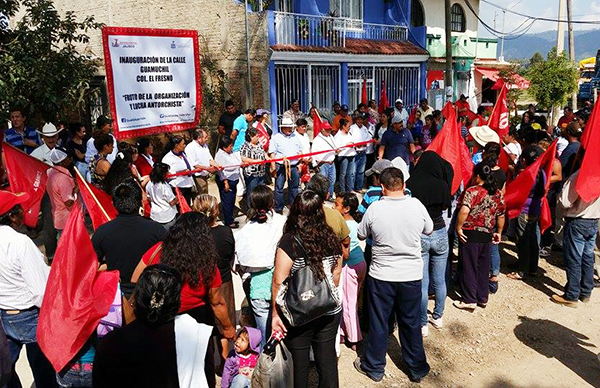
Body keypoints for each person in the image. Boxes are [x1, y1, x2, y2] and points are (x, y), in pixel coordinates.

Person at [354, 167, 432, 383]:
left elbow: (361, 233)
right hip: (411, 275)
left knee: (379, 321)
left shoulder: (375, 209)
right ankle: (416, 367)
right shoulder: (416, 205)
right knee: (410, 321)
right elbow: (429, 228)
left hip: (382, 275)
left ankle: (374, 366)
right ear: (404, 185)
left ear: (382, 187)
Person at [94, 264, 214, 388]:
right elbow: (207, 382)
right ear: (176, 301)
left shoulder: (111, 342)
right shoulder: (196, 337)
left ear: (137, 298)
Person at [271, 191, 344, 388]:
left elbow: (279, 281)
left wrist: (275, 315)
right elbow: (337, 273)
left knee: (299, 366)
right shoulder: (331, 236)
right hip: (329, 308)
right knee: (327, 361)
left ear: (295, 211)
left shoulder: (289, 241)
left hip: (299, 311)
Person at [0, 190, 56, 388]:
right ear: (12, 216)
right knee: (44, 370)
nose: (24, 212)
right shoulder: (20, 243)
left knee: (4, 371)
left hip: (3, 314)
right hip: (28, 315)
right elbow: (40, 290)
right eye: (19, 209)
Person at [92, 179, 166, 297]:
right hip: (150, 292)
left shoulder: (101, 232)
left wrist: (111, 265)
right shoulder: (157, 230)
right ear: (140, 202)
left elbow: (92, 268)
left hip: (117, 293)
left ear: (114, 204)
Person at [406, 151, 453, 336]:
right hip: (440, 231)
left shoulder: (411, 183)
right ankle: (438, 316)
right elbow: (444, 206)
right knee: (439, 280)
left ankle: (423, 323)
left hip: (420, 233)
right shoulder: (442, 184)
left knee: (423, 281)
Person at [234, 185, 286, 347]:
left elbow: (237, 265)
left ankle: (267, 365)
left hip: (256, 288)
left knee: (264, 335)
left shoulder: (244, 232)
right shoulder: (282, 222)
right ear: (272, 202)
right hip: (282, 285)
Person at [454, 163, 505, 310]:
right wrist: (499, 232)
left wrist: (458, 227)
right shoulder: (497, 193)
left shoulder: (472, 191)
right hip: (487, 233)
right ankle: (482, 297)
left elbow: (464, 210)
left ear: (477, 176)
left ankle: (469, 298)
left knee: (469, 266)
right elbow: (501, 214)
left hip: (471, 231)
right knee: (483, 267)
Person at [552, 170, 600, 307]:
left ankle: (572, 294)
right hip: (593, 220)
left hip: (578, 220)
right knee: (587, 256)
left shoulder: (580, 176)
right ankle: (585, 291)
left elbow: (565, 201)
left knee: (574, 258)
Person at [508, 146, 546, 280]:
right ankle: (533, 268)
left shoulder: (526, 174)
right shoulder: (542, 172)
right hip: (535, 208)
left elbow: (518, 191)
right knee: (532, 239)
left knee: (522, 240)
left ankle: (522, 270)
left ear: (524, 160)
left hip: (524, 209)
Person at [334, 192, 366, 351]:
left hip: (349, 267)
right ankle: (343, 332)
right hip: (360, 263)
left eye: (337, 205)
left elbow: (344, 253)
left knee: (347, 303)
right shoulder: (355, 223)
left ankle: (353, 338)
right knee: (351, 300)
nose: (334, 207)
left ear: (346, 209)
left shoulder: (344, 226)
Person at [269, 117, 304, 213]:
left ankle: (293, 205)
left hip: (294, 165)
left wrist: (300, 163)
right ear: (283, 127)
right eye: (288, 127)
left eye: (291, 127)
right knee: (279, 188)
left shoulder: (295, 137)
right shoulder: (276, 138)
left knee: (294, 187)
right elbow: (272, 154)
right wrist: (273, 168)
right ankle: (278, 208)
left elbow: (300, 151)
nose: (290, 129)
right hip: (281, 166)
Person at [46, 147, 76, 238]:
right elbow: (68, 202)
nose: (70, 160)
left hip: (59, 218)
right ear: (62, 162)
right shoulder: (63, 178)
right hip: (67, 220)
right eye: (67, 158)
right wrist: (78, 189)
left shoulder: (50, 173)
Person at [215, 136, 242, 227]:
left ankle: (230, 218)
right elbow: (220, 171)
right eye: (230, 146)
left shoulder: (231, 153)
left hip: (234, 180)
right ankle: (228, 222)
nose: (232, 147)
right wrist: (225, 182)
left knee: (232, 200)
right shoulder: (220, 155)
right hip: (227, 181)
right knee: (227, 201)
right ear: (224, 147)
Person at [162, 136, 195, 205]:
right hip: (179, 187)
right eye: (183, 144)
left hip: (188, 184)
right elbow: (166, 174)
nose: (185, 146)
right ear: (176, 145)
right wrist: (179, 173)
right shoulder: (168, 158)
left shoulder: (183, 154)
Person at [186, 128, 220, 195]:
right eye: (205, 137)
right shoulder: (190, 147)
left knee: (206, 194)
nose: (207, 139)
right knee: (201, 196)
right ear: (199, 138)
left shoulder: (205, 145)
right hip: (198, 176)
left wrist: (216, 165)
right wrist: (207, 168)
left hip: (205, 174)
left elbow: (209, 159)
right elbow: (194, 164)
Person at [240, 127, 267, 208]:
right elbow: (244, 158)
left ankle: (260, 208)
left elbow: (263, 152)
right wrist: (256, 161)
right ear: (251, 137)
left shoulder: (259, 144)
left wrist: (267, 157)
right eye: (256, 136)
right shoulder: (245, 145)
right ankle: (251, 209)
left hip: (261, 172)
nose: (258, 137)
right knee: (252, 192)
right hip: (251, 174)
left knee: (261, 192)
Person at [146, 162, 178, 230]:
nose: (168, 173)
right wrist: (178, 197)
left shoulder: (149, 184)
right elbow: (172, 202)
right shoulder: (164, 187)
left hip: (155, 215)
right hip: (167, 216)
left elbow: (148, 198)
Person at [311, 121, 338, 198]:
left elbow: (334, 148)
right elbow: (313, 152)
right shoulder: (317, 140)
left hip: (331, 162)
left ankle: (330, 195)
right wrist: (314, 164)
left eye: (329, 129)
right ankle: (322, 196)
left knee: (332, 180)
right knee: (322, 181)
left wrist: (336, 152)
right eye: (327, 130)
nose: (329, 131)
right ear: (322, 130)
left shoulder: (331, 137)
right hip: (322, 163)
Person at [350, 113, 372, 193]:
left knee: (361, 171)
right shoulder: (352, 128)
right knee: (353, 172)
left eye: (361, 119)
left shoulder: (365, 129)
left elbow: (369, 139)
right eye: (358, 119)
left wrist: (364, 144)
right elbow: (350, 139)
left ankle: (359, 187)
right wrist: (356, 145)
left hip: (363, 152)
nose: (360, 121)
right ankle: (352, 188)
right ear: (356, 120)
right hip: (355, 152)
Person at [335, 118, 357, 193]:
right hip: (343, 156)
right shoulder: (338, 136)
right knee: (343, 174)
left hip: (352, 154)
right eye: (348, 126)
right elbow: (337, 148)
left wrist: (353, 144)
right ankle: (342, 191)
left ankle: (349, 189)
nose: (349, 128)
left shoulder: (350, 133)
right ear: (343, 126)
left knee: (350, 174)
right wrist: (346, 145)